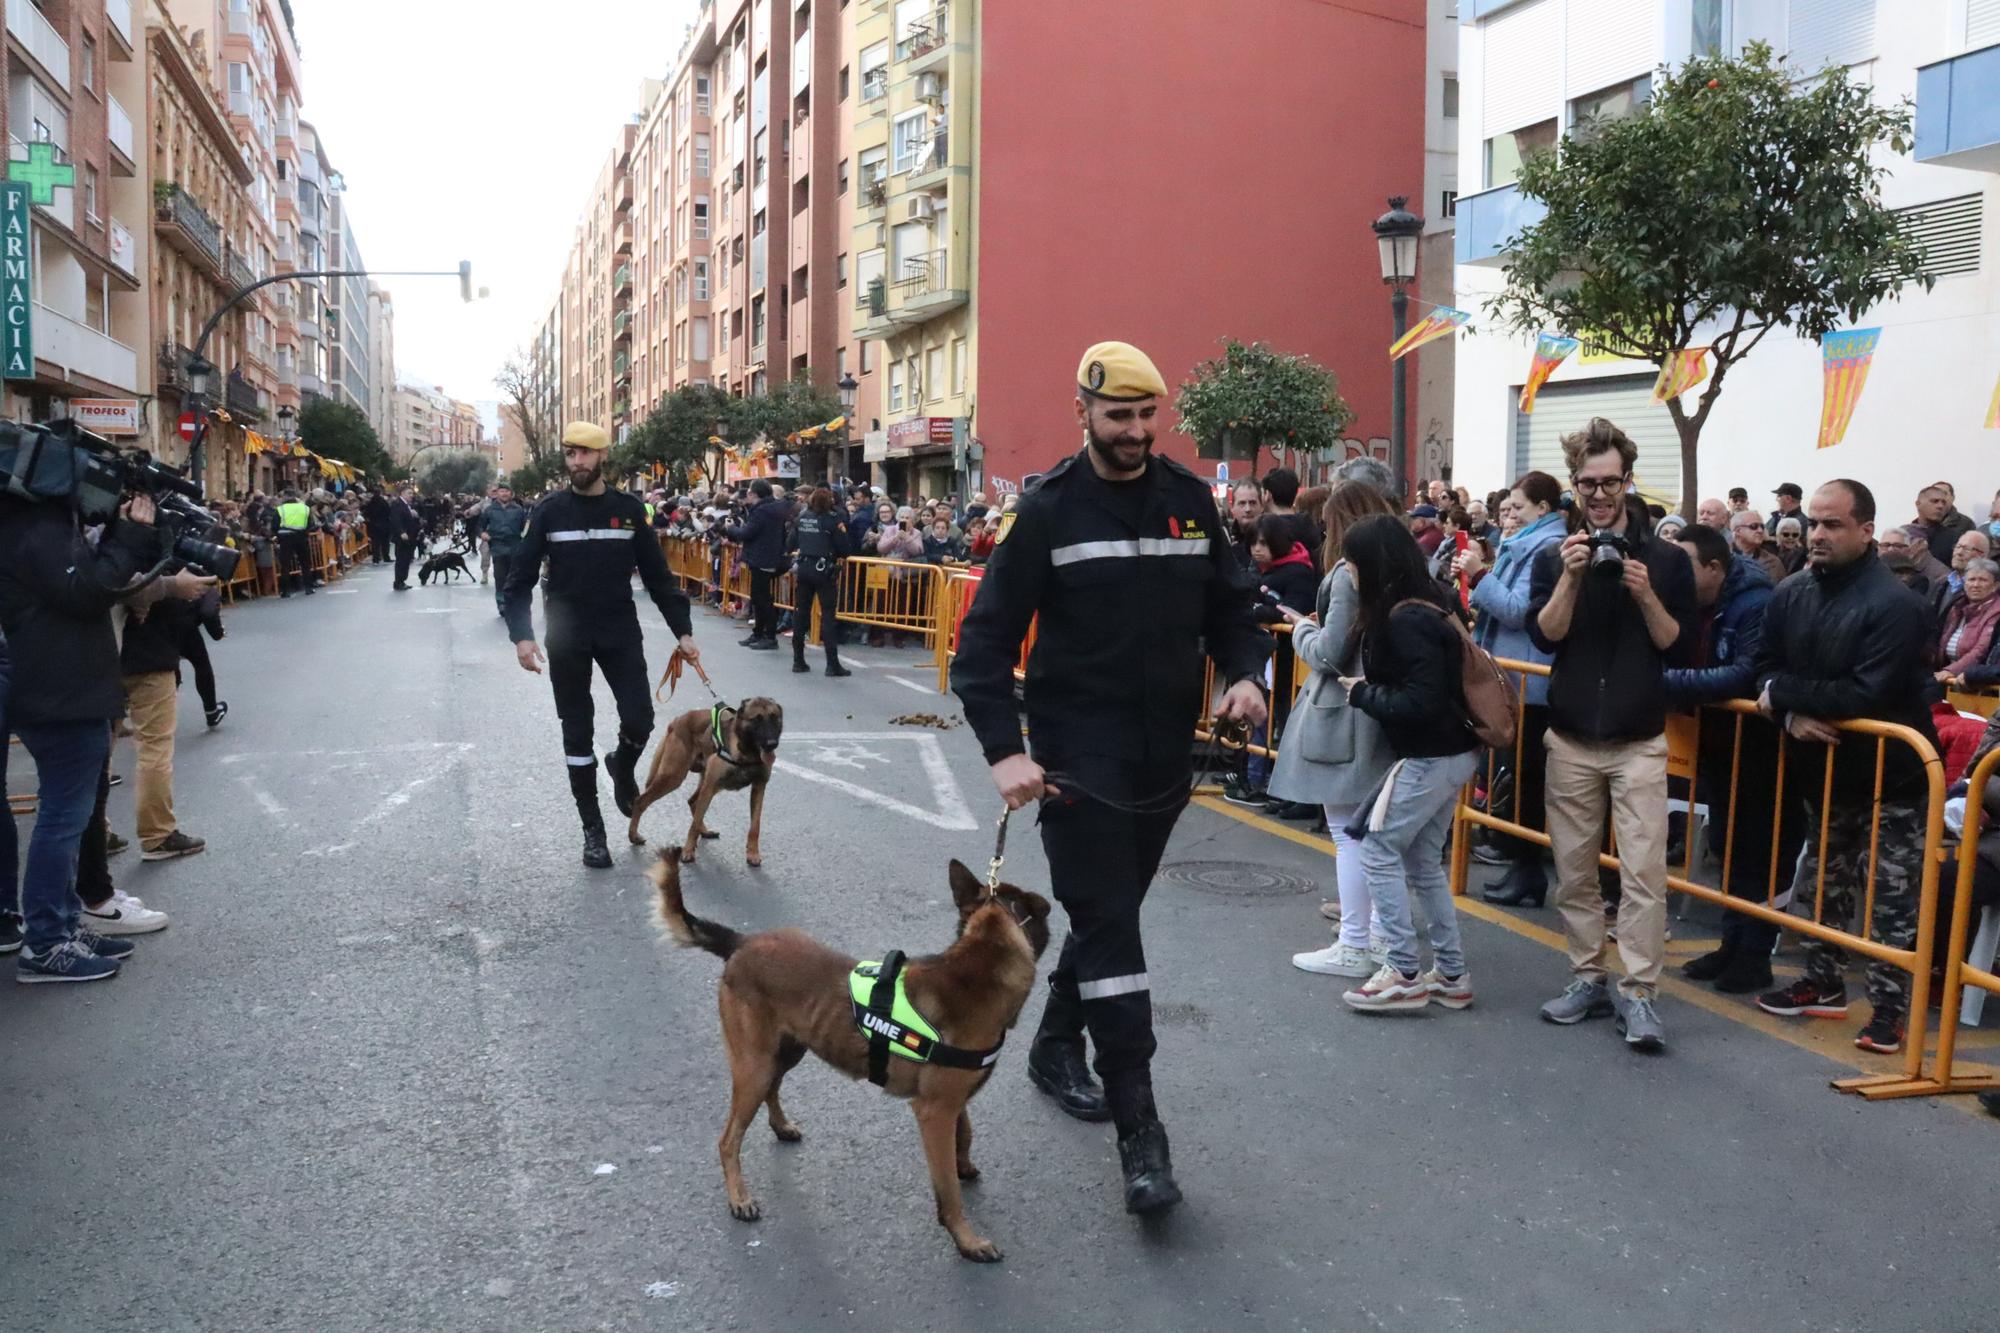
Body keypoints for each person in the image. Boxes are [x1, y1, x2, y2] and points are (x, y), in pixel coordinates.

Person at [951, 340, 1270, 1215]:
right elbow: (978, 647)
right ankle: (1143, 1138)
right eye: (1117, 415)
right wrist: (1004, 750)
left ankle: (1054, 1044)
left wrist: (1246, 672)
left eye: (1145, 415)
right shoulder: (1048, 510)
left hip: (1166, 754)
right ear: (1083, 411)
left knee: (1109, 914)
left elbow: (1232, 608)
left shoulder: (1188, 503)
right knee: (1116, 938)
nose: (1134, 431)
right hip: (1074, 759)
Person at [1527, 417, 1696, 1053]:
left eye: (1610, 482)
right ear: (1573, 486)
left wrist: (1647, 594)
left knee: (1645, 872)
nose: (1600, 494)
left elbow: (1676, 644)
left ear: (1628, 480)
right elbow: (1546, 636)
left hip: (1639, 739)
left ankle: (1641, 993)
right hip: (1571, 737)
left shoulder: (1666, 561)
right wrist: (1571, 576)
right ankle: (1586, 977)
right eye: (1588, 483)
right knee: (1573, 873)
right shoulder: (1554, 556)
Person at [1751, 480, 1938, 1054]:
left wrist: (1784, 696)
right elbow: (1760, 667)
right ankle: (1824, 982)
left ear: (1866, 531)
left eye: (1832, 525)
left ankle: (1890, 1008)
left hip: (1895, 779)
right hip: (1824, 774)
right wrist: (1787, 713)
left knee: (1892, 900)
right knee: (1823, 887)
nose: (1818, 535)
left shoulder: (1898, 604)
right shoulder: (1792, 592)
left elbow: (1865, 693)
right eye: (1813, 523)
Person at [504, 422, 702, 869]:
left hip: (618, 630)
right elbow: (518, 581)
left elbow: (659, 579)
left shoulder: (630, 510)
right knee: (577, 732)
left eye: (585, 455)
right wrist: (522, 635)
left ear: (602, 457)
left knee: (641, 718)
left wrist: (683, 633)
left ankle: (621, 760)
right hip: (567, 634)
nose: (577, 463)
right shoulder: (549, 511)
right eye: (571, 455)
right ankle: (593, 831)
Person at [0, 488, 163, 982]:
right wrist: (129, 537)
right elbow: (88, 590)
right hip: (60, 693)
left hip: (62, 688)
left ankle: (62, 926)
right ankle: (47, 942)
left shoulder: (33, 526)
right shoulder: (36, 531)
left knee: (66, 817)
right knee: (62, 820)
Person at [1327, 514, 1484, 1012]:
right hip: (1449, 750)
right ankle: (1450, 974)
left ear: (1372, 564)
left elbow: (1422, 699)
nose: (1347, 571)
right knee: (1421, 860)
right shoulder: (1429, 602)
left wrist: (1363, 694)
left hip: (1431, 752)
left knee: (1377, 850)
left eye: (1352, 562)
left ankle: (1403, 971)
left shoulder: (1404, 618)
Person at [1274, 482, 1403, 977]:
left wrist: (1302, 630)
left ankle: (1356, 943)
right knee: (1374, 835)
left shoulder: (1350, 575)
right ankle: (1375, 938)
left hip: (1346, 709)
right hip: (1377, 708)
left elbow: (1329, 651)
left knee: (1351, 833)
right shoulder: (1397, 568)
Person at [1662, 522, 1788, 993]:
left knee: (1757, 852)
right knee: (1728, 847)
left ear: (1715, 567)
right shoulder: (1702, 603)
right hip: (1717, 739)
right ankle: (1731, 943)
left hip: (1757, 744)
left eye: (1684, 567)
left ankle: (1754, 954)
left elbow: (1742, 675)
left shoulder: (1754, 603)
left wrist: (1665, 683)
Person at [1466, 471, 1566, 907]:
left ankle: (1527, 870)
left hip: (1533, 681)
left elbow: (1519, 611)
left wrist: (1480, 575)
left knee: (1526, 778)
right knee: (1517, 776)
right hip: (1515, 678)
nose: (1509, 517)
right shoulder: (1523, 545)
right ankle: (1520, 867)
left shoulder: (1546, 547)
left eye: (1518, 508)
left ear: (1542, 509)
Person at [787, 486, 851, 677]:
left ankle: (798, 660)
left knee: (801, 614)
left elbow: (790, 543)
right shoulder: (833, 520)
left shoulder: (802, 518)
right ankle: (832, 664)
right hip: (824, 570)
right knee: (828, 616)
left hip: (805, 568)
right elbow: (845, 549)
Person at [1936, 558, 2000, 681]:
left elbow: (1980, 650)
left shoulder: (1996, 611)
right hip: (1945, 675)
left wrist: (1950, 671)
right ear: (1964, 584)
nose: (1976, 585)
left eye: (1983, 580)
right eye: (1971, 579)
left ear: (1995, 586)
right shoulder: (1956, 606)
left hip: (1973, 681)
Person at [175, 583, 228, 729]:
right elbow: (208, 612)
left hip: (157, 619)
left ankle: (162, 712)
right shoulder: (202, 579)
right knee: (201, 664)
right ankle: (211, 711)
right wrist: (218, 633)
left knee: (168, 668)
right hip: (184, 624)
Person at [478, 481, 530, 618]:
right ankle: (501, 603)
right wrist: (483, 534)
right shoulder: (489, 510)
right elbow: (480, 526)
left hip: (515, 547)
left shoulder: (518, 510)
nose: (504, 493)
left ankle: (513, 603)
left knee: (514, 577)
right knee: (500, 577)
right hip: (498, 547)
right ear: (497, 493)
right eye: (502, 491)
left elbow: (526, 528)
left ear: (510, 493)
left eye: (507, 491)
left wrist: (526, 541)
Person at [1912, 483, 1974, 565]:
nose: (1940, 506)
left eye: (1943, 503)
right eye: (1935, 501)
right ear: (1918, 504)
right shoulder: (1905, 534)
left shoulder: (1955, 538)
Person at [1876, 525, 1944, 598]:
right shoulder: (1869, 571)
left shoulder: (1919, 580)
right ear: (1878, 548)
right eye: (1885, 545)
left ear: (1908, 550)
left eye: (1897, 546)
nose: (1891, 549)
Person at [1728, 508, 1788, 586]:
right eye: (1754, 526)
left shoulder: (1773, 562)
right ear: (1738, 531)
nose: (1760, 530)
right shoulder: (1722, 558)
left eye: (1762, 527)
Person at [274, 487, 316, 597]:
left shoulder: (280, 509)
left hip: (286, 538)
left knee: (285, 565)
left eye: (282, 496)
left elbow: (275, 525)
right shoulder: (305, 508)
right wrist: (305, 532)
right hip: (301, 537)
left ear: (286, 496)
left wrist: (277, 535)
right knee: (305, 563)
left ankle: (285, 591)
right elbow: (311, 524)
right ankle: (308, 587)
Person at [388, 485, 423, 591]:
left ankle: (402, 580)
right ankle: (398, 581)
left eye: (412, 493)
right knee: (401, 559)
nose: (411, 495)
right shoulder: (397, 504)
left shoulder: (407, 505)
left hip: (410, 536)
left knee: (406, 559)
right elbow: (395, 519)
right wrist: (401, 532)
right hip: (403, 537)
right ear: (402, 493)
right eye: (409, 493)